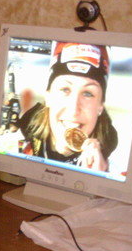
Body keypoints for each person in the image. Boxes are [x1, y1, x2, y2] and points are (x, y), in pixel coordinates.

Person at [15, 42, 118, 171]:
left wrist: (99, 177)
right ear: (48, 97)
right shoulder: (22, 134)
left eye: (88, 93)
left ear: (100, 106)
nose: (73, 110)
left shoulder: (111, 162)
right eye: (65, 89)